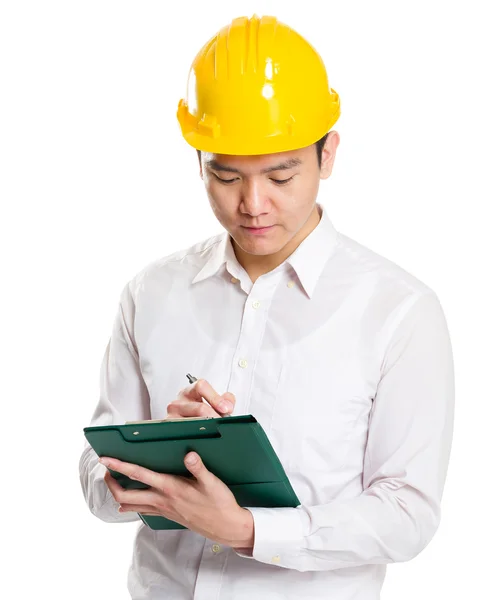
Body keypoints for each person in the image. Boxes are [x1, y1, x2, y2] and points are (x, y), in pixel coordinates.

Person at [79, 14, 454, 600]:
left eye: (281, 175)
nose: (253, 205)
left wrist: (250, 531)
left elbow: (408, 516)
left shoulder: (398, 312)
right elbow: (96, 490)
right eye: (225, 176)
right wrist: (153, 445)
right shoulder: (150, 294)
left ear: (328, 153)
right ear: (198, 161)